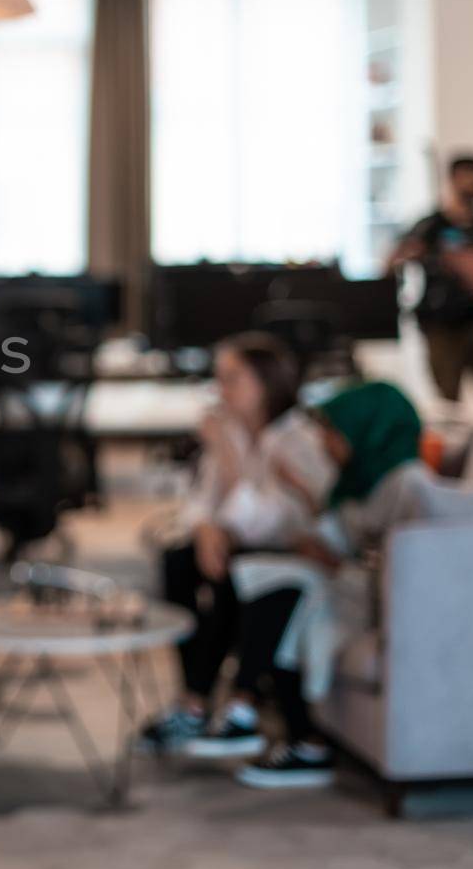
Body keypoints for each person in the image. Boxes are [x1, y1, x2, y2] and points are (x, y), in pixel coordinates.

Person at [139, 333, 338, 758]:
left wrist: (225, 465)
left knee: (228, 573)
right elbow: (201, 500)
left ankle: (207, 703)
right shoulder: (231, 430)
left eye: (232, 378)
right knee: (179, 561)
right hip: (241, 544)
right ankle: (193, 700)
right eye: (219, 378)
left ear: (266, 382)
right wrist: (208, 530)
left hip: (283, 549)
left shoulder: (296, 438)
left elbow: (271, 517)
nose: (221, 390)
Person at [229, 381, 423, 790]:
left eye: (334, 432)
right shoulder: (360, 477)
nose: (324, 442)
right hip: (347, 585)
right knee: (273, 583)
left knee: (288, 595)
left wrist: (333, 560)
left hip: (375, 598)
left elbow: (402, 562)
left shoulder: (406, 483)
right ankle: (278, 726)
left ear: (366, 430)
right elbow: (345, 531)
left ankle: (257, 713)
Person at [389, 153, 473, 414]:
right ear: (454, 179)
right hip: (442, 325)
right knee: (448, 407)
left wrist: (461, 260)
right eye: (469, 175)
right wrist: (412, 252)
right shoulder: (430, 226)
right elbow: (391, 262)